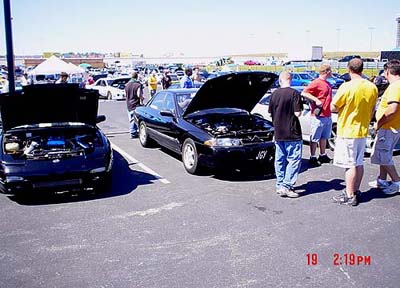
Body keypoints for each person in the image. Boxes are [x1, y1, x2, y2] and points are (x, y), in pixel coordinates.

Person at [331, 58, 378, 206]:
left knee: (349, 164)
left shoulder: (346, 87)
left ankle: (350, 194)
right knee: (358, 162)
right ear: (362, 69)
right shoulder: (372, 87)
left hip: (347, 130)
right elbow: (372, 110)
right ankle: (355, 190)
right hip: (362, 130)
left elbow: (333, 107)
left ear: (349, 69)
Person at [268, 71, 303, 198]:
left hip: (278, 131)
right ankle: (287, 186)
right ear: (291, 79)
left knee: (280, 159)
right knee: (293, 160)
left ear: (280, 80)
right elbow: (297, 113)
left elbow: (271, 113)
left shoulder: (274, 94)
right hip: (292, 132)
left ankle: (280, 184)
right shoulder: (294, 93)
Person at [369, 59, 400, 194]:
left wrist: (379, 123)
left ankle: (396, 182)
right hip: (392, 127)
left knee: (384, 155)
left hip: (388, 127)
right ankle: (382, 180)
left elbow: (392, 109)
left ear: (387, 71)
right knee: (383, 154)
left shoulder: (395, 86)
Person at [301, 64, 333, 167]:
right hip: (318, 116)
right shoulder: (316, 82)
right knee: (314, 137)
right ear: (327, 71)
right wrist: (316, 100)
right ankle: (313, 156)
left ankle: (322, 155)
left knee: (324, 137)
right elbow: (304, 93)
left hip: (327, 114)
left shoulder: (327, 83)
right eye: (330, 71)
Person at [125, 72, 144, 138]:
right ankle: (133, 132)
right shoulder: (138, 85)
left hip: (128, 103)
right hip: (135, 103)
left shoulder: (127, 84)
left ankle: (133, 131)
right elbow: (139, 94)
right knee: (134, 118)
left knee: (131, 118)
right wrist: (142, 98)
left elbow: (126, 94)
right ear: (137, 77)